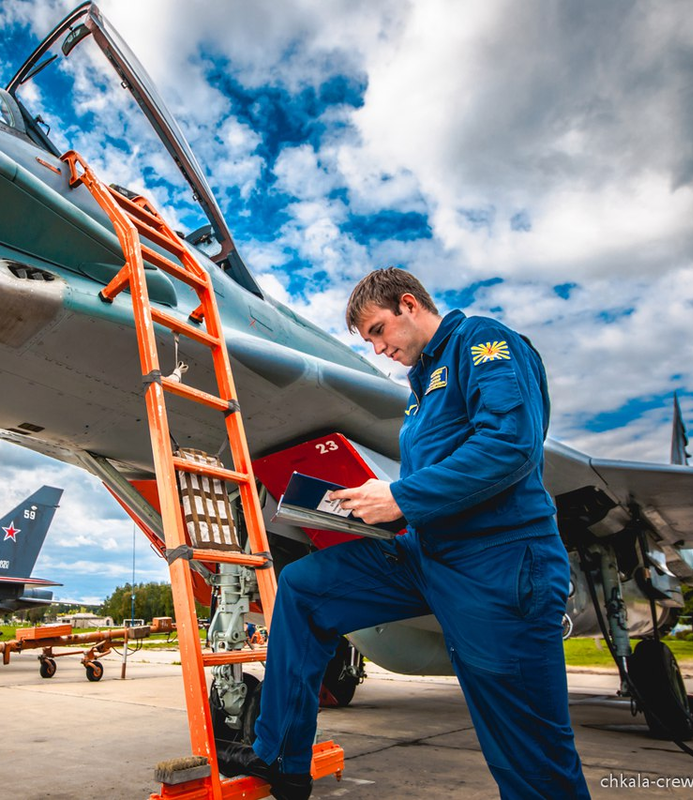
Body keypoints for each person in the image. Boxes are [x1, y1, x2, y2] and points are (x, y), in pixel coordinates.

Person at [218, 268, 590, 799]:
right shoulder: (419, 390)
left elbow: (511, 445)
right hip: (426, 553)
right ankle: (281, 757)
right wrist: (377, 506)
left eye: (377, 331)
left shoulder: (482, 341)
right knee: (304, 590)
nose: (377, 349)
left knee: (530, 753)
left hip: (499, 563)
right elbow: (437, 478)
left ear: (409, 305)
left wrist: (400, 498)